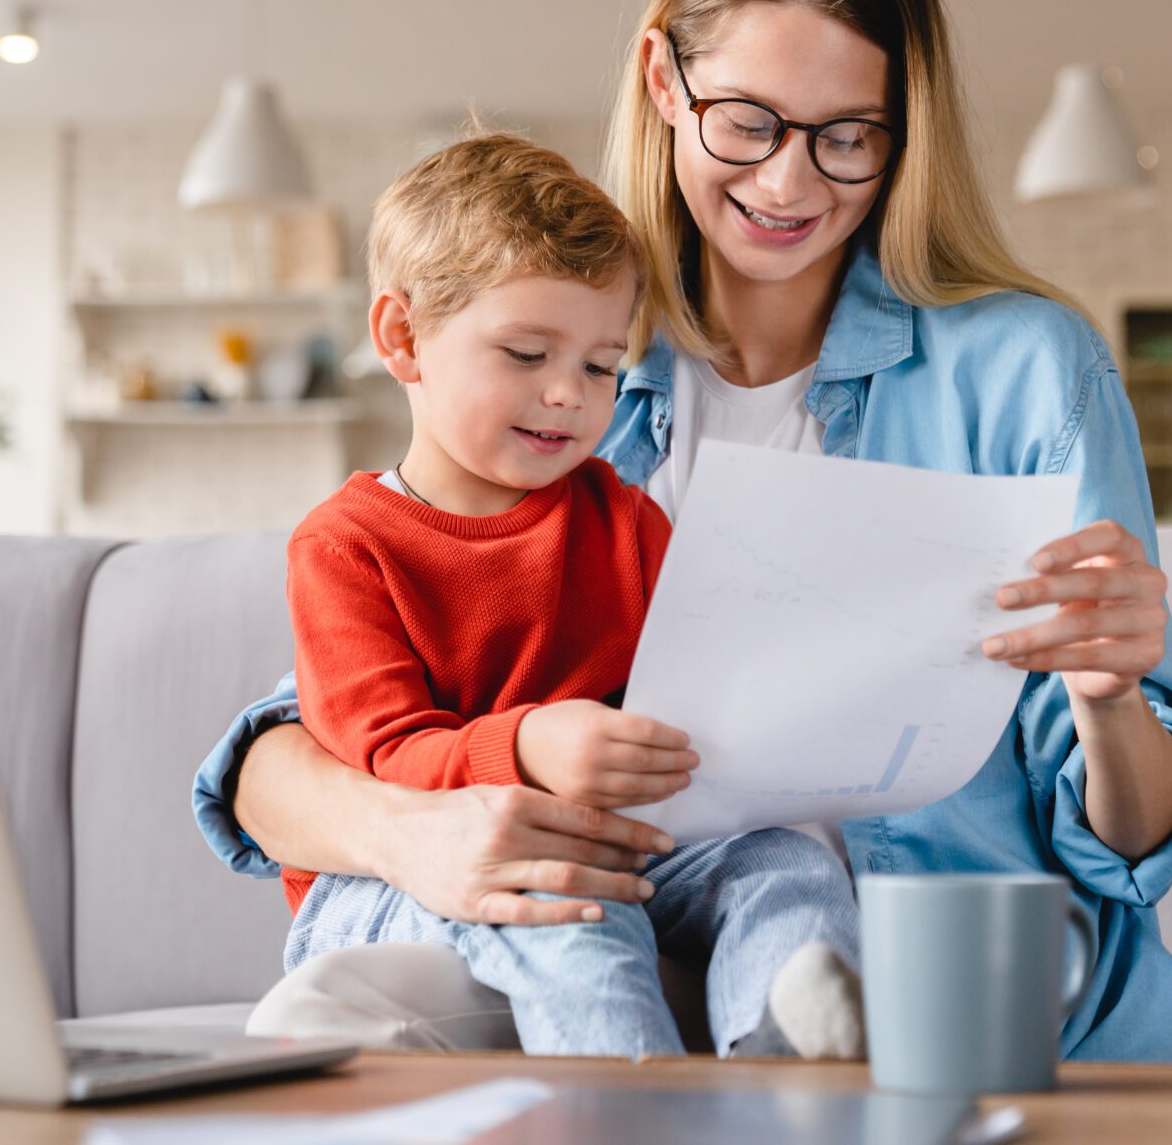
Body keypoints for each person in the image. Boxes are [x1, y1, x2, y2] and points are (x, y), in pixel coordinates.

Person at [195, 0, 1172, 1064]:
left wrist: (1106, 696)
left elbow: (1132, 837)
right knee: (337, 1006)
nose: (789, 184)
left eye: (848, 136)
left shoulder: (1021, 372)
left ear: (905, 129)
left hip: (907, 963)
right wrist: (413, 834)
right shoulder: (573, 355)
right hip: (621, 931)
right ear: (661, 83)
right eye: (746, 121)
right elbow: (291, 750)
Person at [278, 133, 863, 1058]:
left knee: (786, 862)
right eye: (524, 353)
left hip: (612, 842)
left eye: (600, 366)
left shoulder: (626, 519)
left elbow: (702, 689)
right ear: (402, 338)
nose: (567, 396)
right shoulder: (345, 546)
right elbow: (382, 755)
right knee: (569, 905)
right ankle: (634, 1115)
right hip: (402, 881)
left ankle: (781, 1048)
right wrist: (530, 745)